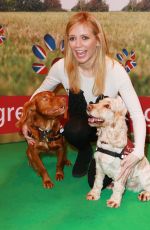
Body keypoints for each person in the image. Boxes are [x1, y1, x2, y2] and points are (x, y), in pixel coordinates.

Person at [22, 11, 146, 189]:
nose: (77, 45)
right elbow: (39, 93)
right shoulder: (61, 67)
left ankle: (101, 152)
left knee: (98, 182)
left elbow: (136, 113)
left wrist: (138, 151)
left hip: (110, 133)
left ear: (98, 40)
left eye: (85, 37)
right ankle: (85, 151)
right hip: (83, 125)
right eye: (72, 38)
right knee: (72, 130)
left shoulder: (115, 70)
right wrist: (27, 120)